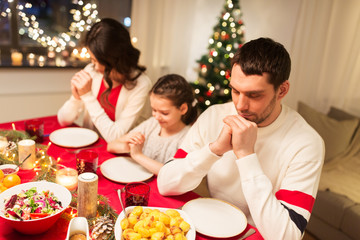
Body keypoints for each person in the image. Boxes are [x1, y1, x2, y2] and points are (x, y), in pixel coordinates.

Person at [157, 38, 325, 239]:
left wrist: (246, 156)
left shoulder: (307, 143)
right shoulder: (213, 116)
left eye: (254, 95)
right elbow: (165, 184)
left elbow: (286, 236)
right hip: (209, 225)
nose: (240, 105)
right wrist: (214, 150)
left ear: (282, 90)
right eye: (235, 91)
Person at [57, 18, 153, 143]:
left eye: (97, 61)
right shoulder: (92, 71)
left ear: (113, 59)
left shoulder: (141, 84)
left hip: (120, 155)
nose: (94, 66)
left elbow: (115, 137)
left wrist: (88, 96)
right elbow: (63, 120)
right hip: (89, 150)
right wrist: (76, 98)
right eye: (92, 60)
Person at [107, 74, 198, 175]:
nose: (157, 116)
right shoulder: (152, 124)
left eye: (164, 113)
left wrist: (138, 155)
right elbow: (110, 146)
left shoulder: (187, 138)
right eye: (154, 110)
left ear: (183, 109)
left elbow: (172, 174)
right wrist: (128, 144)